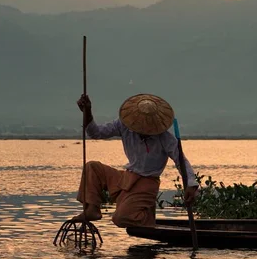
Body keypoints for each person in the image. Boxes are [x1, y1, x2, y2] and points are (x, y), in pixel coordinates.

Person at [72, 93, 199, 228]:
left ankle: (147, 217)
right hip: (127, 177)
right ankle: (92, 209)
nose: (143, 130)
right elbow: (95, 133)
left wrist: (190, 184)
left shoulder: (165, 138)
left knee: (121, 219)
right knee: (92, 167)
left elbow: (181, 161)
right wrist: (87, 112)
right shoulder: (124, 125)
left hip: (147, 182)